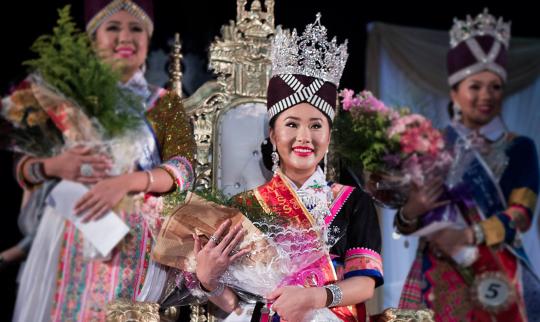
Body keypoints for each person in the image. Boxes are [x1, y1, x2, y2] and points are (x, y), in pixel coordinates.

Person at [192, 14, 383, 322]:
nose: (304, 137)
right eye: (291, 124)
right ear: (273, 134)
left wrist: (314, 297)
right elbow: (237, 304)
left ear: (329, 135)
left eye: (316, 125)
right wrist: (208, 280)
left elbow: (365, 284)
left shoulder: (354, 202)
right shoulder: (246, 205)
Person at [12, 1, 196, 321]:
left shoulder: (164, 105)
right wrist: (55, 166)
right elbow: (25, 166)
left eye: (136, 28)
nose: (125, 38)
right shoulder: (69, 98)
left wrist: (126, 182)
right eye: (113, 28)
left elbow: (183, 168)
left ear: (148, 38)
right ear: (93, 38)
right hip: (70, 235)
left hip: (136, 240)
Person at [397, 9, 540, 321]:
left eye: (495, 86)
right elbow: (404, 220)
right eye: (475, 86)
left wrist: (469, 235)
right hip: (435, 270)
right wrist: (412, 210)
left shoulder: (521, 147)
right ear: (455, 93)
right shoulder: (429, 144)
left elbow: (522, 214)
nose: (486, 95)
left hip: (498, 267)